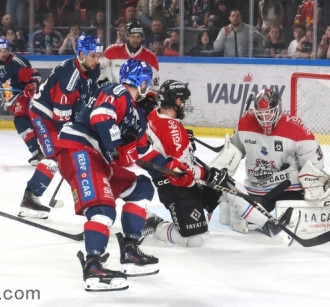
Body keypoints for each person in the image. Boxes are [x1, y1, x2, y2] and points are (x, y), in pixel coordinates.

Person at [56, 59, 158, 291]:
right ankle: (93, 266)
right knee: (103, 208)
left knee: (141, 187)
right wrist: (114, 143)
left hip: (97, 158)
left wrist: (174, 169)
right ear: (142, 82)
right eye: (147, 82)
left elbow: (143, 152)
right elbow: (101, 116)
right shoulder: (117, 91)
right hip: (79, 149)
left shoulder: (135, 114)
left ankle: (130, 251)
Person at [216, 88, 330, 241]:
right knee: (249, 221)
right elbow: (232, 152)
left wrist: (312, 185)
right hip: (257, 188)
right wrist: (220, 171)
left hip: (287, 186)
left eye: (269, 113)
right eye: (261, 113)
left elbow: (313, 159)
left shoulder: (294, 128)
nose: (265, 118)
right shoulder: (245, 124)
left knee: (297, 217)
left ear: (278, 109)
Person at [19, 34, 104, 219]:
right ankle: (29, 200)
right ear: (81, 54)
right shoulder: (69, 79)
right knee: (54, 157)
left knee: (64, 154)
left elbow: (89, 97)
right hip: (44, 115)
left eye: (99, 55)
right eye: (93, 56)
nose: (97, 60)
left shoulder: (92, 69)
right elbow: (61, 120)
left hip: (61, 114)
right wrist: (79, 135)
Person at [136, 80, 226, 247]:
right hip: (176, 187)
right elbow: (182, 174)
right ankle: (154, 223)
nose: (183, 105)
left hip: (173, 182)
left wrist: (186, 142)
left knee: (226, 188)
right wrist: (208, 174)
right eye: (182, 101)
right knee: (194, 240)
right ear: (177, 101)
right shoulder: (173, 129)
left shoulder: (155, 114)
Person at [0, 38, 43, 165]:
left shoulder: (18, 63)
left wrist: (31, 86)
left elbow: (35, 76)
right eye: (0, 51)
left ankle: (37, 153)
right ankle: (45, 150)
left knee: (21, 121)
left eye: (5, 50)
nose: (3, 53)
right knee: (29, 125)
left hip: (24, 96)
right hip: (12, 99)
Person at [100, 20, 160, 107]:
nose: (135, 39)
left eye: (138, 36)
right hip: (115, 96)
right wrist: (103, 82)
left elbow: (155, 83)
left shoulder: (151, 57)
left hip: (139, 99)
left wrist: (149, 99)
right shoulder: (112, 51)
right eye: (133, 36)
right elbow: (99, 66)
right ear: (127, 36)